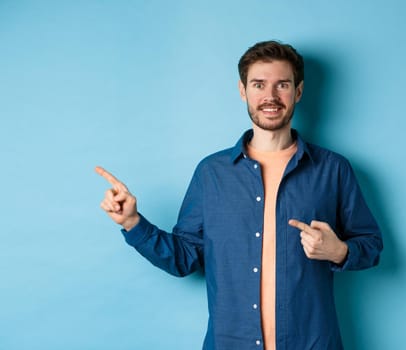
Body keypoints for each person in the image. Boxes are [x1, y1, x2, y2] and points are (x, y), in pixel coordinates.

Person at [96, 40, 382, 350]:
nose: (270, 96)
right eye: (259, 84)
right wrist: (132, 222)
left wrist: (338, 251)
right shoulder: (212, 173)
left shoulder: (333, 170)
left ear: (298, 92)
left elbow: (371, 245)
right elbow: (184, 258)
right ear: (243, 90)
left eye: (282, 85)